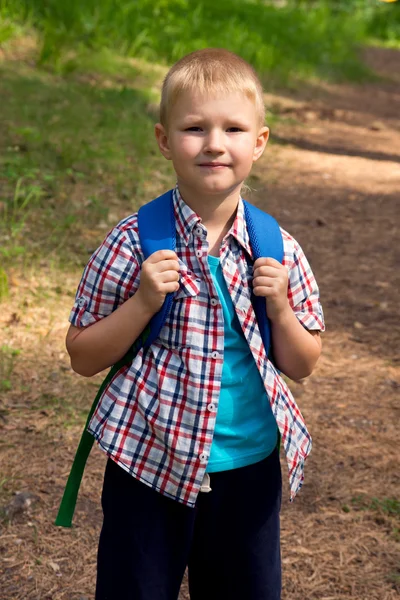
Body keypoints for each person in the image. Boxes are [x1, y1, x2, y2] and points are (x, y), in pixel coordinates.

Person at [66, 48, 325, 600]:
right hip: (148, 464)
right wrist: (140, 303)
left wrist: (278, 308)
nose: (214, 143)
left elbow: (302, 365)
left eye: (233, 128)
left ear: (259, 142)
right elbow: (83, 357)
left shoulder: (277, 251)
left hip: (248, 471)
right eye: (194, 127)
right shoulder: (132, 243)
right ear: (164, 140)